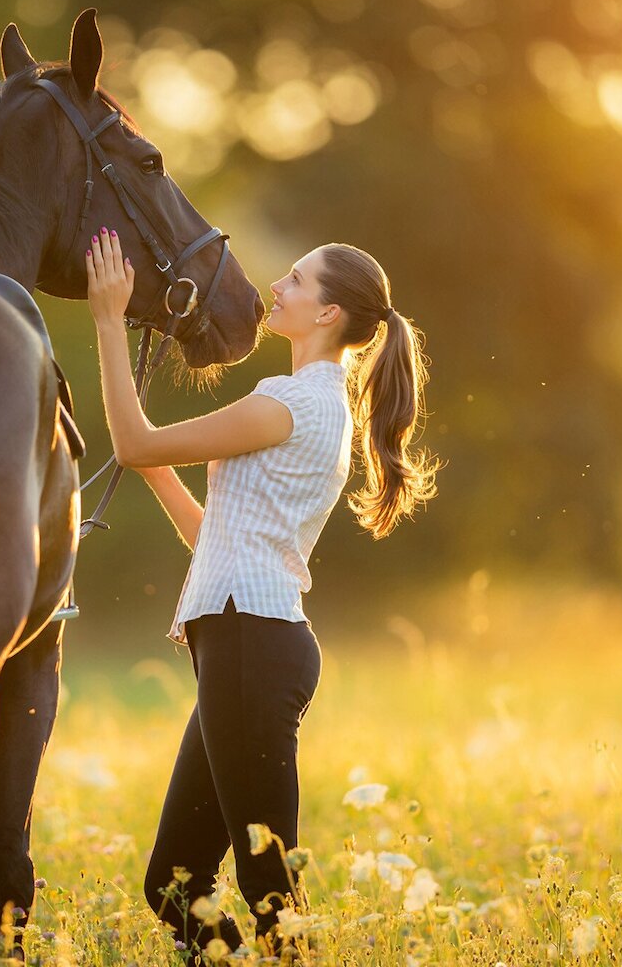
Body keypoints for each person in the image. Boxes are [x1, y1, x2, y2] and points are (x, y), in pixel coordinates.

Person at [84, 227, 438, 960]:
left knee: (267, 881)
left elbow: (131, 442)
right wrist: (155, 465)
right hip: (244, 643)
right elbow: (213, 534)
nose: (278, 285)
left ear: (327, 315)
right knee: (176, 885)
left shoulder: (292, 403)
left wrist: (108, 319)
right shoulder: (311, 407)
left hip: (254, 647)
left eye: (298, 280)